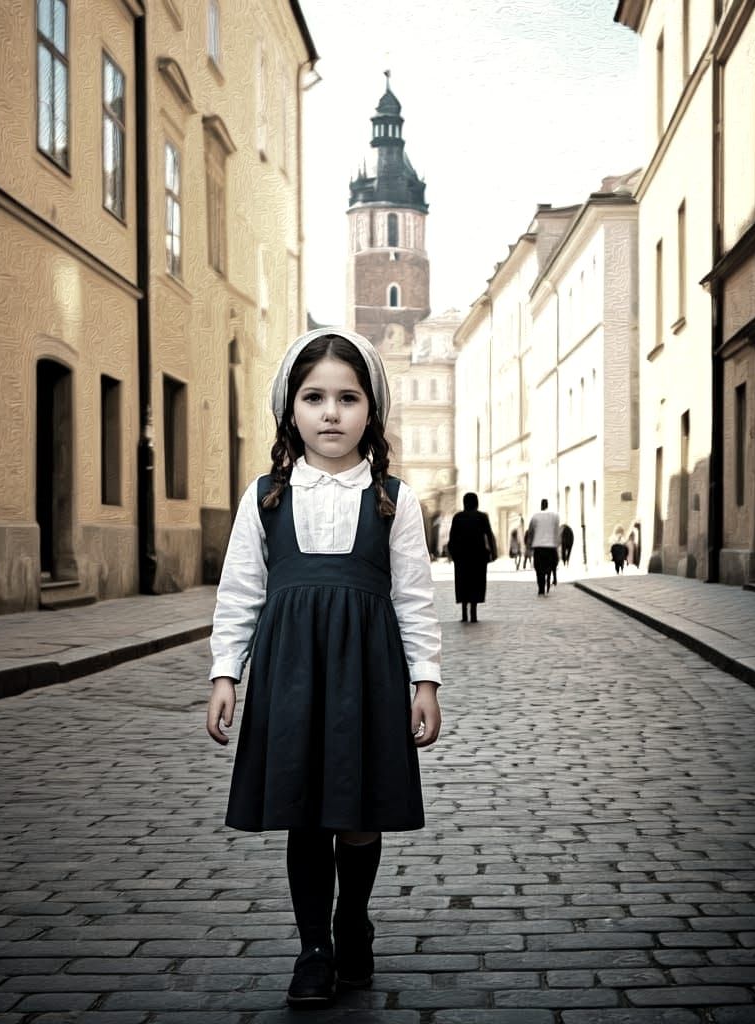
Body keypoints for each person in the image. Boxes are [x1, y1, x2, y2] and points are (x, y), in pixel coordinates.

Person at [206, 328, 442, 1009]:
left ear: (372, 411)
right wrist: (227, 673)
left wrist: (425, 682)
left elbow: (415, 598)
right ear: (291, 410)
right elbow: (240, 591)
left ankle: (352, 919)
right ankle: (313, 947)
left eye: (348, 397)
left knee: (359, 811)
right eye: (315, 397)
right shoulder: (265, 497)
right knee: (304, 813)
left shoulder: (394, 498)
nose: (331, 412)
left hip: (368, 674)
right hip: (291, 676)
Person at [447, 492, 497, 623]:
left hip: (462, 556)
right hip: (478, 556)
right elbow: (489, 536)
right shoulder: (482, 517)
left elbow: (452, 538)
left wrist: (452, 554)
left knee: (463, 582)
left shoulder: (458, 517)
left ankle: (464, 613)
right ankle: (473, 613)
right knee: (476, 582)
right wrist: (493, 552)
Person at [527, 498, 560, 596]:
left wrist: (529, 546)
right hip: (551, 547)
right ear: (547, 505)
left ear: (541, 505)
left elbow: (530, 532)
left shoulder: (535, 517)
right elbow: (556, 531)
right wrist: (557, 545)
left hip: (539, 547)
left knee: (539, 568)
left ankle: (541, 588)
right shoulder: (555, 516)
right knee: (551, 565)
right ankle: (550, 577)